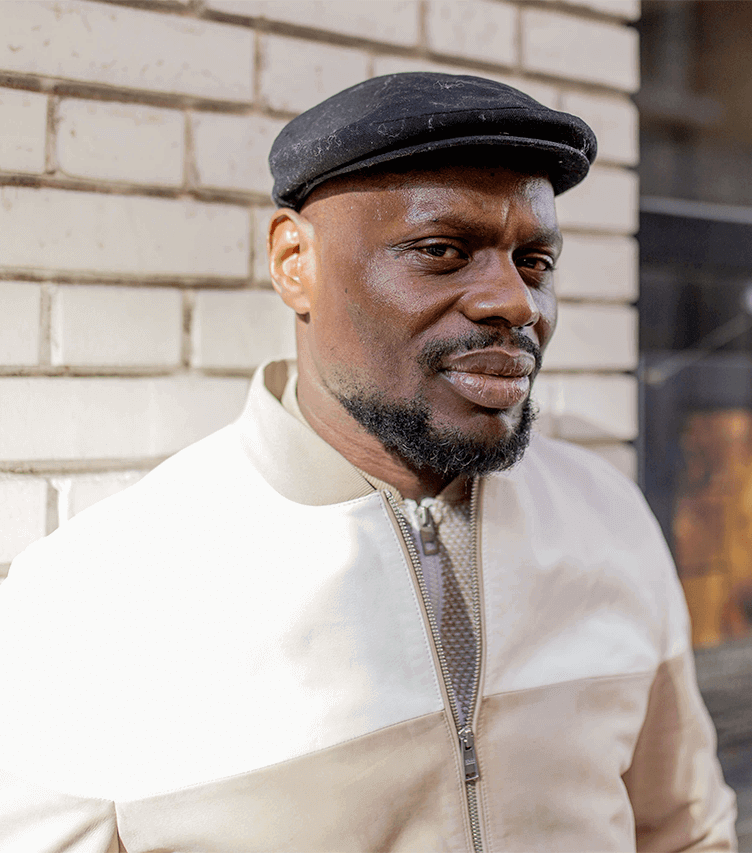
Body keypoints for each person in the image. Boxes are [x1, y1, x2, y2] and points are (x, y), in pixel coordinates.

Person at [0, 73, 737, 852]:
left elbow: (685, 831)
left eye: (534, 261)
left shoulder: (608, 518)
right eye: (441, 251)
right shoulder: (91, 597)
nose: (516, 302)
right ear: (295, 261)